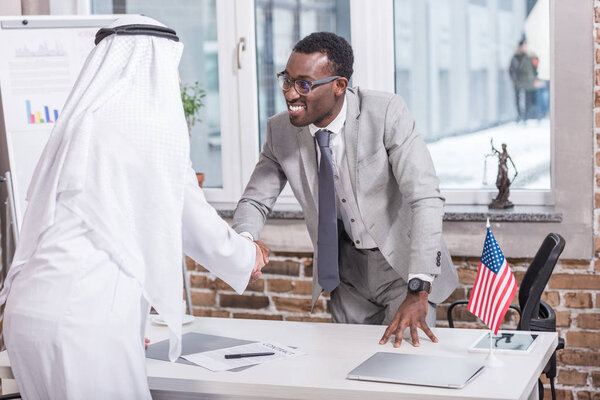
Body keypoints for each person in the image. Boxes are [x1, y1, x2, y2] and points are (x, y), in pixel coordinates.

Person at [0, 16, 267, 399]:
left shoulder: (79, 123)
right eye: (170, 67)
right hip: (84, 321)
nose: (174, 79)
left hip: (28, 314)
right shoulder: (147, 130)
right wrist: (247, 255)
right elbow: (190, 219)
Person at [233, 32, 458, 348]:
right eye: (286, 80)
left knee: (404, 370)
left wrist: (419, 287)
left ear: (340, 85)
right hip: (345, 273)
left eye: (304, 84)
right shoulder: (280, 130)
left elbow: (425, 198)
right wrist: (244, 243)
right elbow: (255, 199)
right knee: (346, 368)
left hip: (401, 267)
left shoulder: (384, 112)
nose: (291, 94)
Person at [509, 38, 539, 122]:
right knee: (518, 99)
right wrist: (513, 79)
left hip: (528, 81)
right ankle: (520, 115)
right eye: (523, 45)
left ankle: (526, 116)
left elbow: (535, 68)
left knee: (527, 99)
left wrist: (535, 79)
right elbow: (512, 69)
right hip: (519, 81)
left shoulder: (531, 56)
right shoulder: (516, 57)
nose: (524, 47)